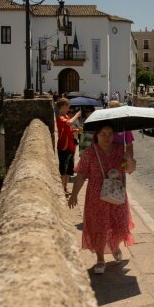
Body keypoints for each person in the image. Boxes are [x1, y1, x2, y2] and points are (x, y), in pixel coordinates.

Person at [67, 122, 135, 274]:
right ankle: (100, 259)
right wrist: (74, 195)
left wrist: (129, 158)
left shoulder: (120, 150)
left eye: (110, 134)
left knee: (118, 224)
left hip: (117, 194)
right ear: (96, 135)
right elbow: (82, 174)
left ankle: (115, 246)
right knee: (98, 226)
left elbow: (129, 170)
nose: (106, 137)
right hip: (96, 197)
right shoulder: (90, 153)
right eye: (103, 134)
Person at [55, 98, 82, 196]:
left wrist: (76, 131)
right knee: (63, 170)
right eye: (67, 105)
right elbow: (69, 123)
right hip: (64, 147)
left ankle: (65, 188)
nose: (69, 107)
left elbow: (68, 129)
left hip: (70, 146)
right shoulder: (60, 117)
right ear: (62, 106)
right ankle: (62, 189)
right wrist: (76, 115)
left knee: (68, 170)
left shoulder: (65, 116)